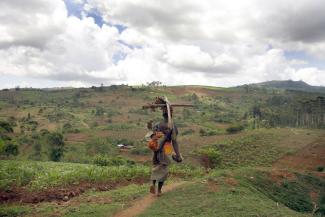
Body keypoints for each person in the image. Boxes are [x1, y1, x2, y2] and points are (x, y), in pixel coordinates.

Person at [146, 97, 182, 196]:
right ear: (171, 113)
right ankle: (159, 190)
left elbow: (151, 134)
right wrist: (178, 154)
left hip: (156, 150)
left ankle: (153, 184)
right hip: (165, 149)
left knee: (157, 166)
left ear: (163, 113)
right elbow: (174, 141)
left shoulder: (158, 124)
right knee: (164, 169)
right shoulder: (172, 126)